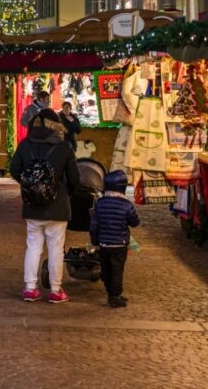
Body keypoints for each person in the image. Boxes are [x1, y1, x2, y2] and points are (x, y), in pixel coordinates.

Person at [9, 108, 80, 304]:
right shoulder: (64, 146)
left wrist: (29, 185)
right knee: (56, 248)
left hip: (33, 205)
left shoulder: (25, 145)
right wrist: (66, 192)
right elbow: (74, 177)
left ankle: (30, 288)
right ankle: (56, 290)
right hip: (57, 206)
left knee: (33, 246)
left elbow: (14, 169)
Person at [89, 169, 139, 308]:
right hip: (120, 244)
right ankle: (114, 296)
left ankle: (110, 291)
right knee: (117, 270)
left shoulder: (100, 204)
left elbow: (94, 225)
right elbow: (134, 222)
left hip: (104, 244)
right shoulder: (126, 205)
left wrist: (95, 240)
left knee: (106, 269)